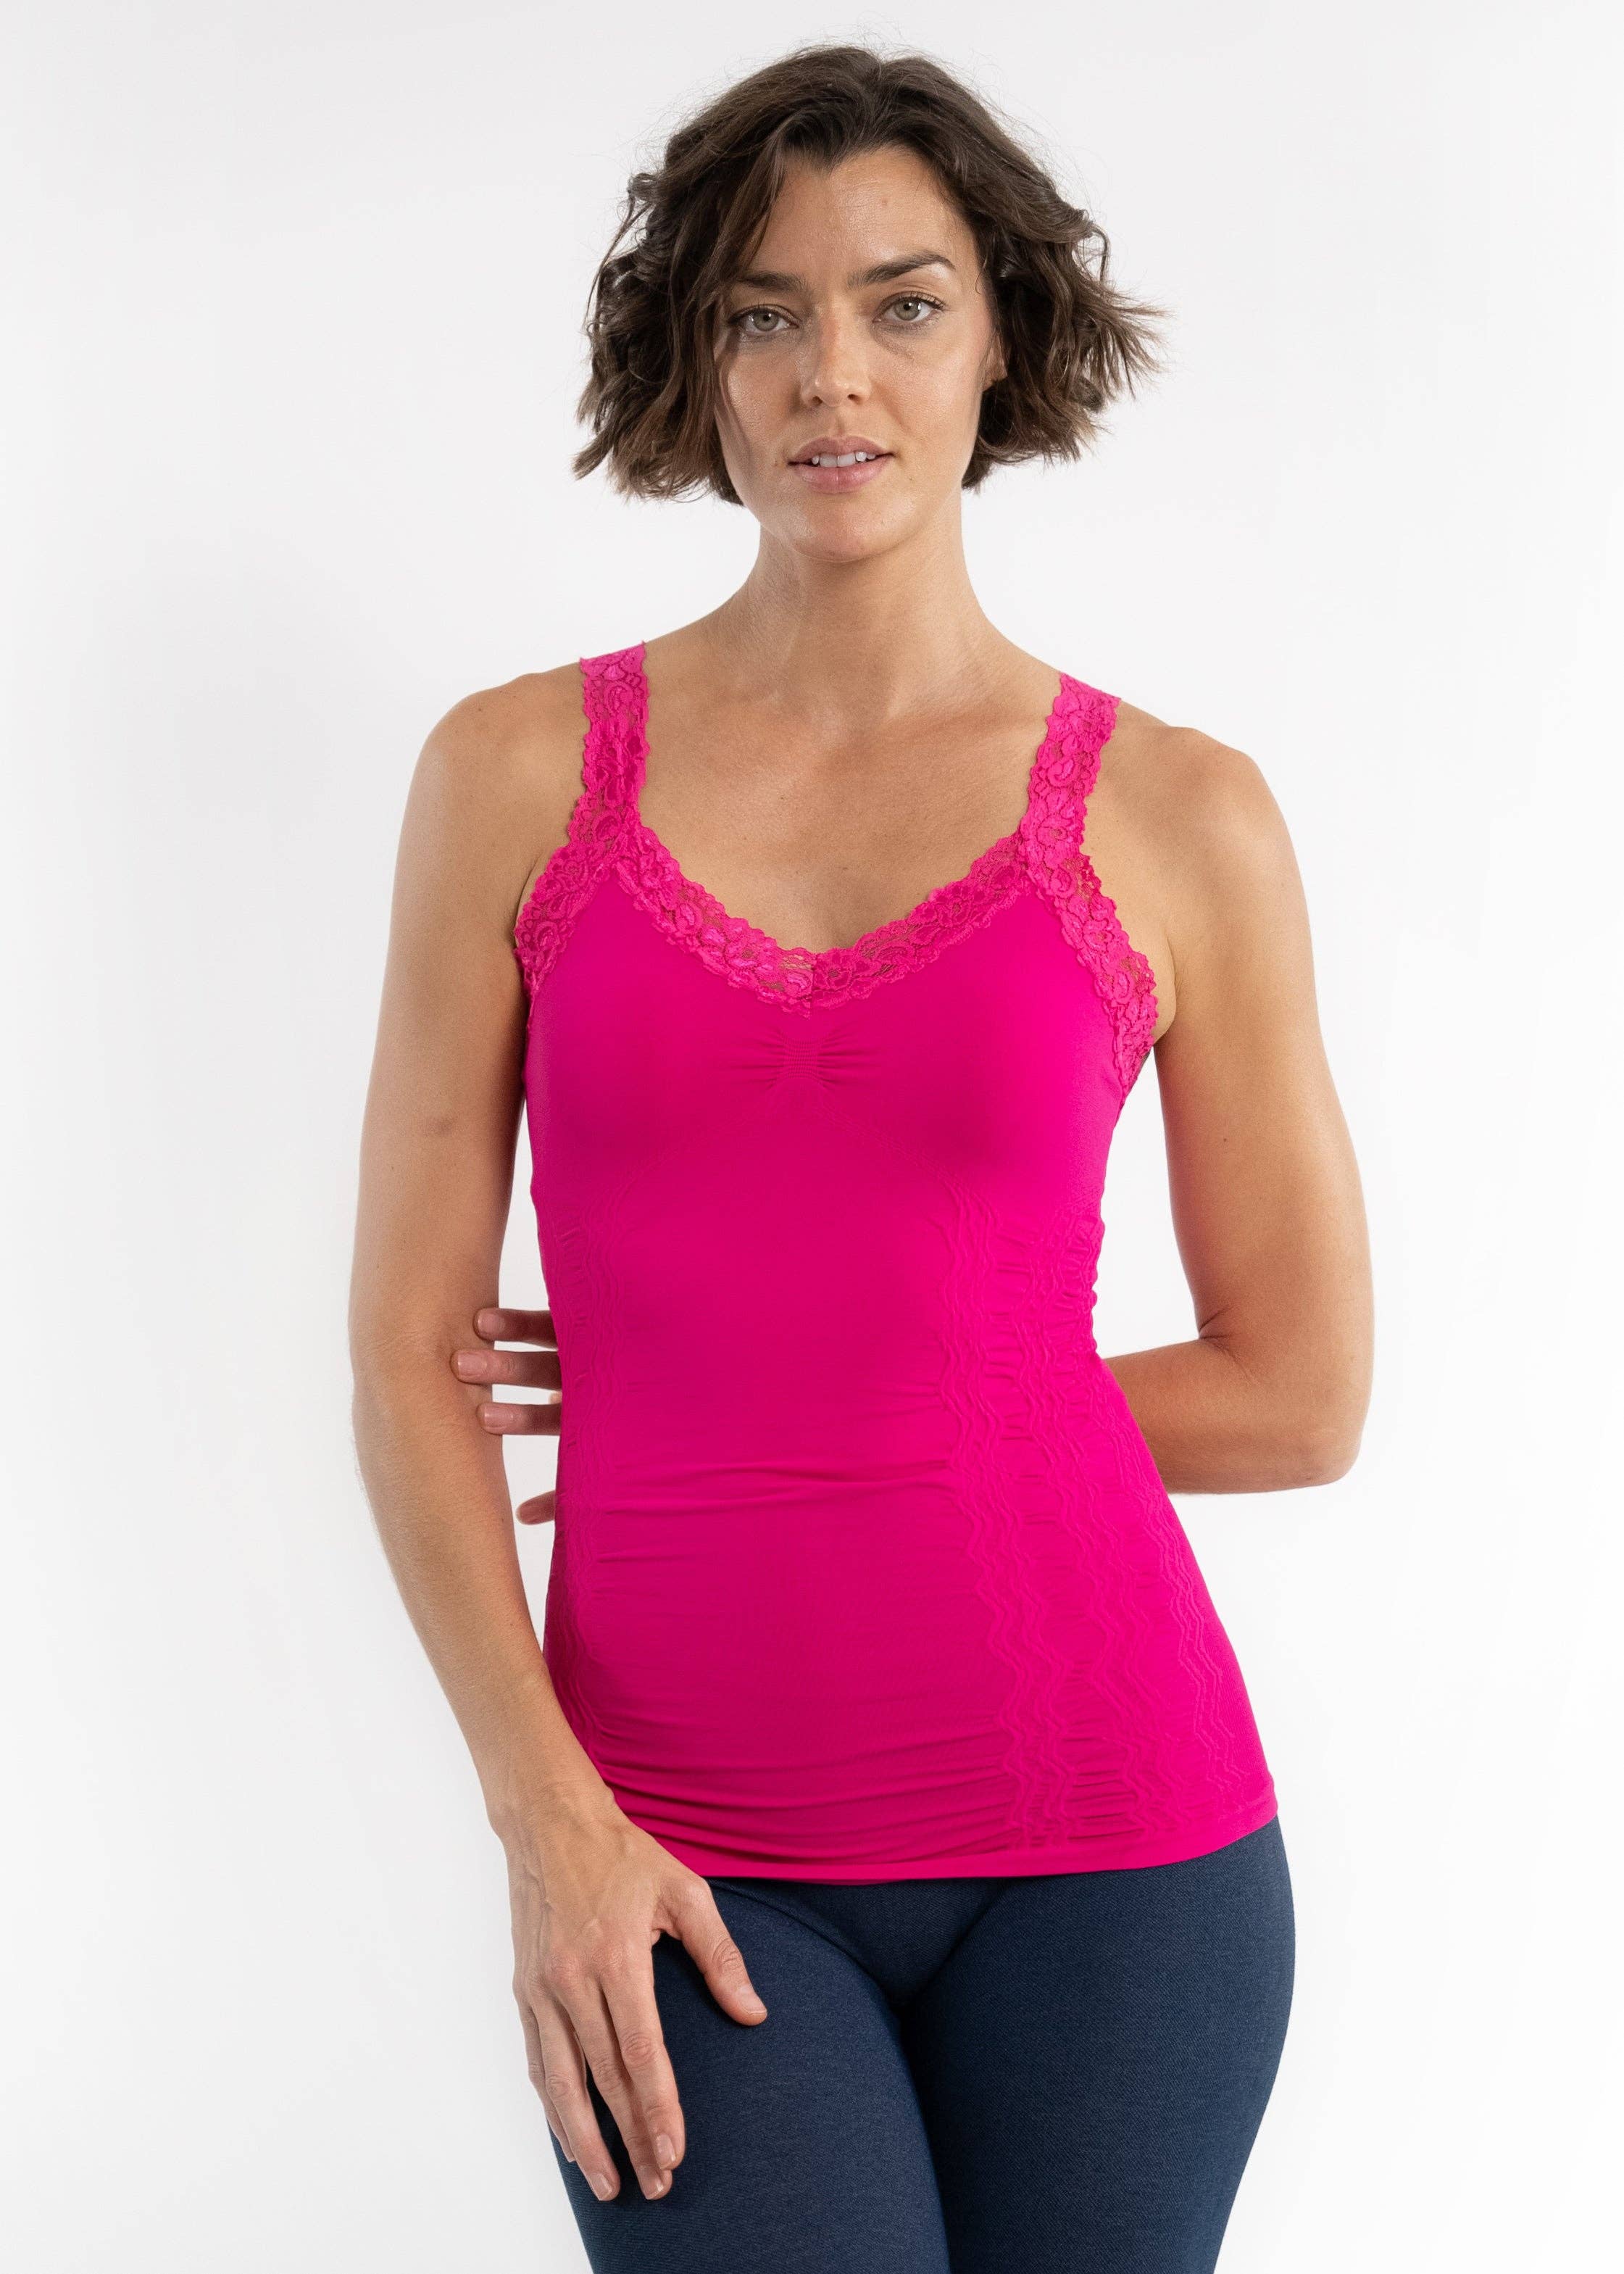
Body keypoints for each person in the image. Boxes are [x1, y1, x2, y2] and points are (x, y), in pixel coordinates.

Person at [349, 41, 1372, 2274]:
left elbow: (1299, 1392)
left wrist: (849, 1403)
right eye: (763, 312)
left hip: (1121, 1853)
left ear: (999, 334)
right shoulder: (514, 775)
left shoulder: (1177, 815)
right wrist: (545, 1825)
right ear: (693, 359)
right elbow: (412, 1358)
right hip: (672, 1854)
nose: (833, 374)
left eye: (901, 303)